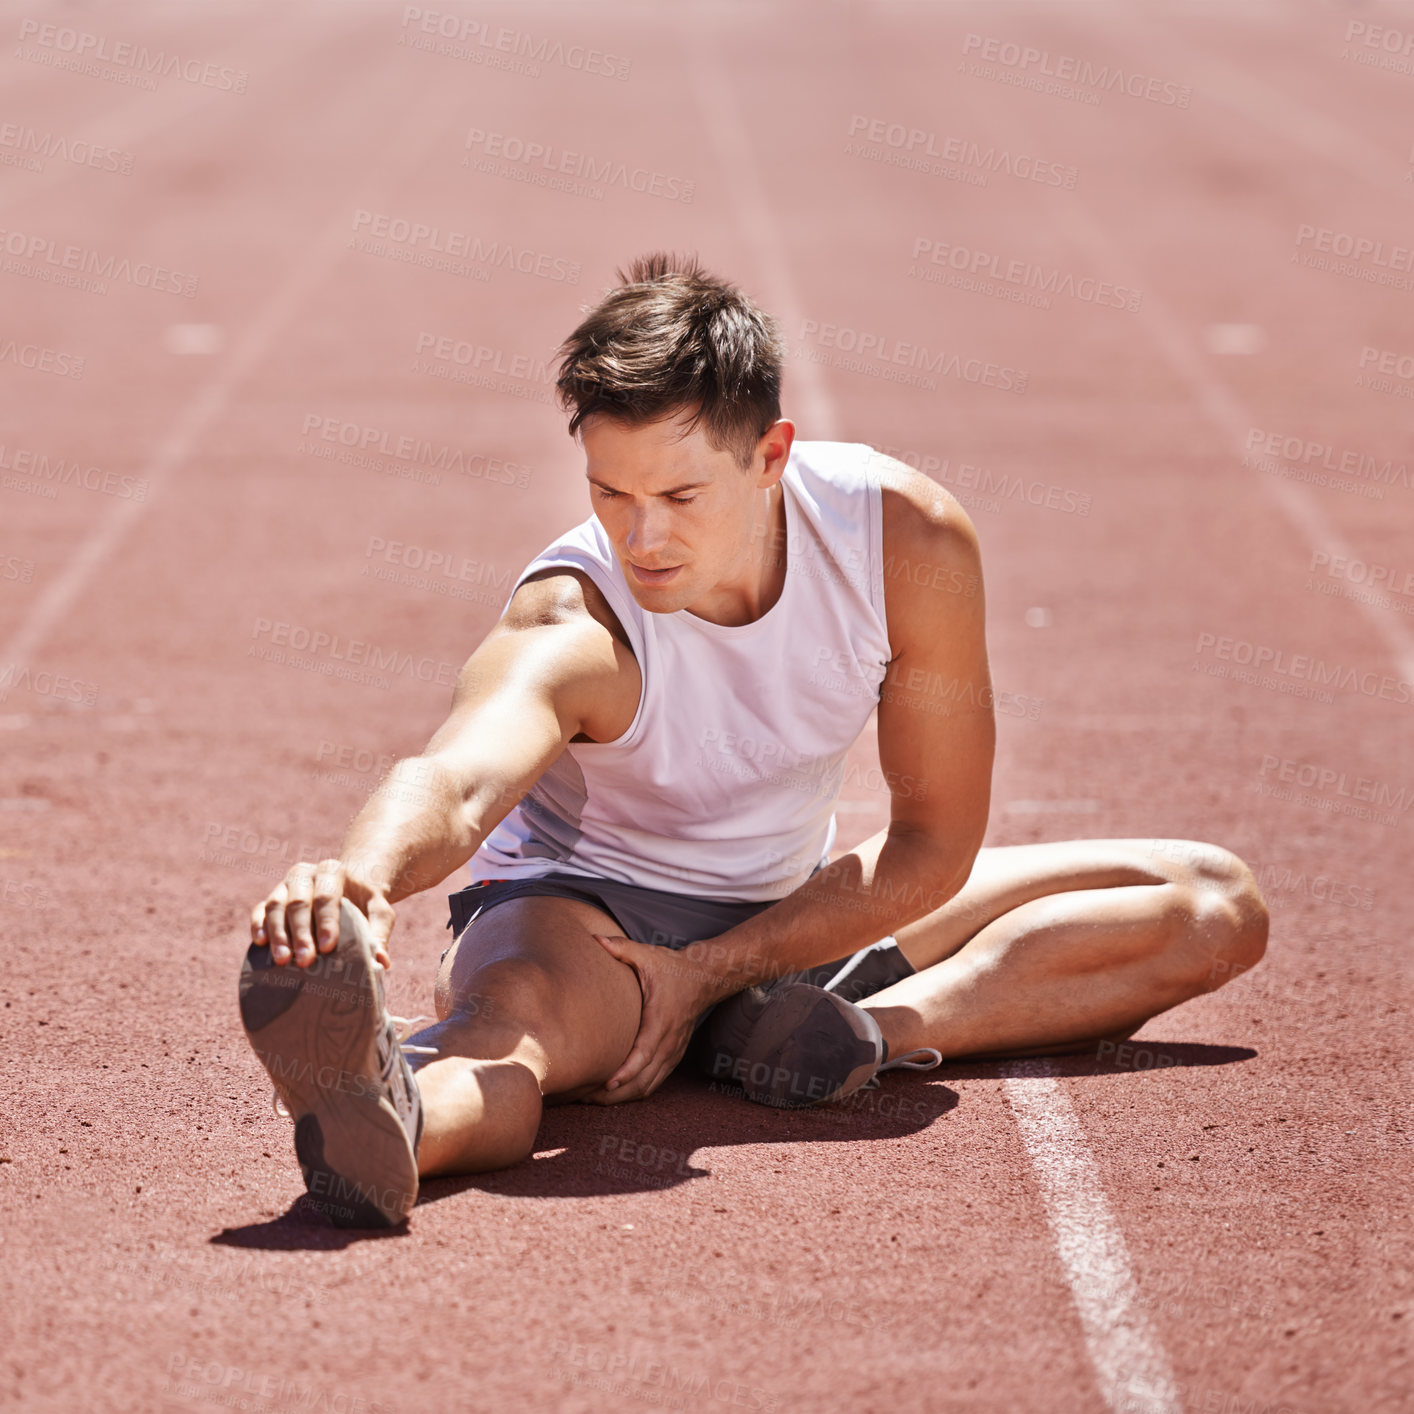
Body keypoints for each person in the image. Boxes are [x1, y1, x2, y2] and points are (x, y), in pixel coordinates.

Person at [238, 253, 1269, 1227]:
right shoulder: (575, 622)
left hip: (791, 915)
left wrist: (722, 970)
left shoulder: (901, 541)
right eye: (610, 493)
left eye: (680, 497)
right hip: (591, 923)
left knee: (1212, 902)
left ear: (771, 455)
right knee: (501, 1045)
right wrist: (360, 879)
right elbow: (457, 781)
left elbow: (931, 845)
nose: (642, 538)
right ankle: (389, 1111)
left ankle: (862, 1031)